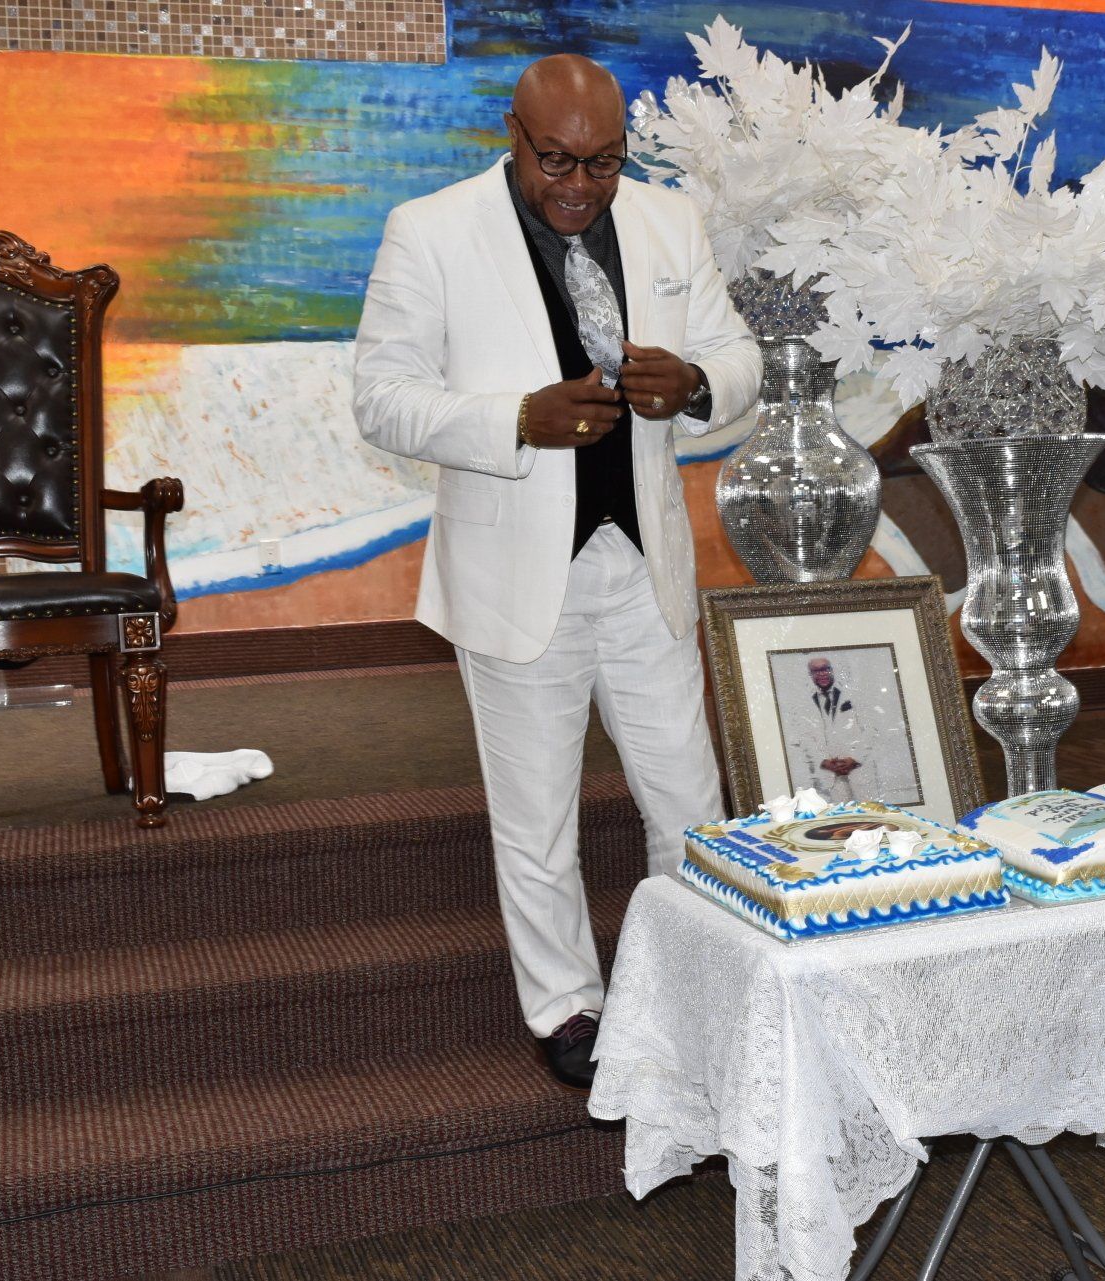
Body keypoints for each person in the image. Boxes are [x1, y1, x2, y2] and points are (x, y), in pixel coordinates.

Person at [353, 54, 761, 1090]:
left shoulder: (670, 222)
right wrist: (515, 420)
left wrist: (698, 382)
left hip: (646, 565)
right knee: (537, 817)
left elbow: (741, 359)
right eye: (558, 161)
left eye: (605, 162)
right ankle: (567, 1006)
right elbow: (382, 399)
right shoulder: (430, 231)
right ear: (515, 135)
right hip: (514, 575)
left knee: (691, 799)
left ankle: (694, 985)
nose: (581, 185)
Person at [784, 655, 884, 803]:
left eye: (825, 669)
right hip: (829, 777)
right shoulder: (803, 704)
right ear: (810, 674)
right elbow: (804, 738)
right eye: (816, 671)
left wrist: (854, 758)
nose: (822, 674)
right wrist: (824, 761)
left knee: (870, 812)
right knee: (838, 814)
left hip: (860, 771)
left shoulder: (854, 695)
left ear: (832, 670)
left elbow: (872, 730)